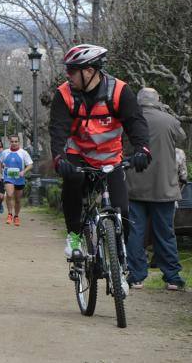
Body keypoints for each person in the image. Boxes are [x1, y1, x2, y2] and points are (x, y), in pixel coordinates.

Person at [49, 44, 151, 259]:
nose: (68, 76)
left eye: (71, 71)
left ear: (89, 70)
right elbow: (58, 129)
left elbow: (136, 123)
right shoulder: (64, 94)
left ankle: (120, 262)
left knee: (122, 212)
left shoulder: (119, 91)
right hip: (78, 154)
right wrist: (59, 158)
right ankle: (74, 236)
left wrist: (142, 150)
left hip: (110, 158)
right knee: (73, 183)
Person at [124, 88, 186, 290]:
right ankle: (172, 277)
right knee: (165, 233)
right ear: (157, 100)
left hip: (135, 185)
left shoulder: (130, 119)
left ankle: (136, 276)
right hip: (163, 186)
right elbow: (181, 137)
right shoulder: (168, 120)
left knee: (136, 232)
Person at [0, 135, 33, 226]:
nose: (14, 143)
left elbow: (30, 164)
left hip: (19, 178)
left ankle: (16, 216)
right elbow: (0, 162)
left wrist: (24, 171)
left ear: (19, 142)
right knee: (9, 195)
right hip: (8, 177)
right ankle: (10, 214)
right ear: (10, 142)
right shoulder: (5, 152)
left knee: (18, 199)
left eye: (16, 141)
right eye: (12, 141)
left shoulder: (23, 153)